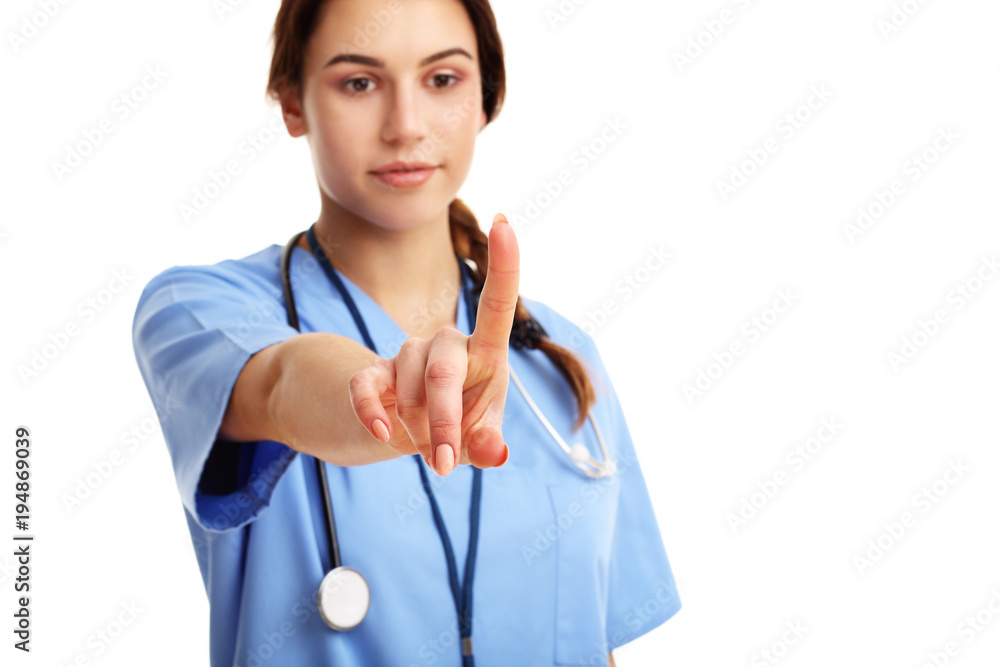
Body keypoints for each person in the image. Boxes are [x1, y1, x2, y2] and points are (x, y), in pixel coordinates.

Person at [131, 0, 681, 665]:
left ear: (487, 97)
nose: (406, 126)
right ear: (292, 101)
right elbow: (281, 382)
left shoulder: (562, 358)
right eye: (359, 82)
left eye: (442, 79)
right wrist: (383, 396)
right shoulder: (196, 309)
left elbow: (599, 643)